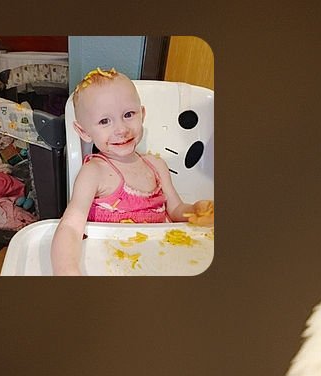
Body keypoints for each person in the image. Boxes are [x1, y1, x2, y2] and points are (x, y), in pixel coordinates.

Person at [51, 68, 214, 275]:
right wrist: (67, 270)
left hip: (158, 261)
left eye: (128, 115)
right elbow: (71, 227)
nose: (121, 129)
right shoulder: (93, 172)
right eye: (104, 121)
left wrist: (195, 211)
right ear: (84, 132)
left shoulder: (157, 166)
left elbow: (175, 209)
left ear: (142, 114)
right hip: (109, 264)